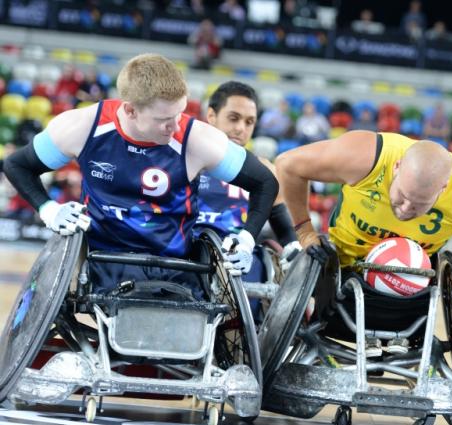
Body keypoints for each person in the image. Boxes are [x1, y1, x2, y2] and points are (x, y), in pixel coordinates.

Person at [3, 53, 278, 295]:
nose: (175, 126)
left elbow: (265, 182)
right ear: (130, 109)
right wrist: (48, 209)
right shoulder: (82, 127)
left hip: (176, 267)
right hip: (100, 259)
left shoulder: (198, 138)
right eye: (164, 119)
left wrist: (246, 239)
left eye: (180, 114)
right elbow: (16, 165)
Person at [275, 131, 452, 306]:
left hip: (411, 285)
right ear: (397, 167)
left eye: (420, 204)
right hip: (339, 271)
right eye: (403, 195)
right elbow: (288, 165)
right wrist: (305, 232)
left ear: (443, 188)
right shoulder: (365, 156)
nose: (406, 208)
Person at [198, 81, 300, 284]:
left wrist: (295, 250)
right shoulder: (187, 157)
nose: (240, 128)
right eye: (233, 118)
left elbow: (286, 232)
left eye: (249, 122)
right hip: (188, 254)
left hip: (240, 264)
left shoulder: (266, 170)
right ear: (211, 116)